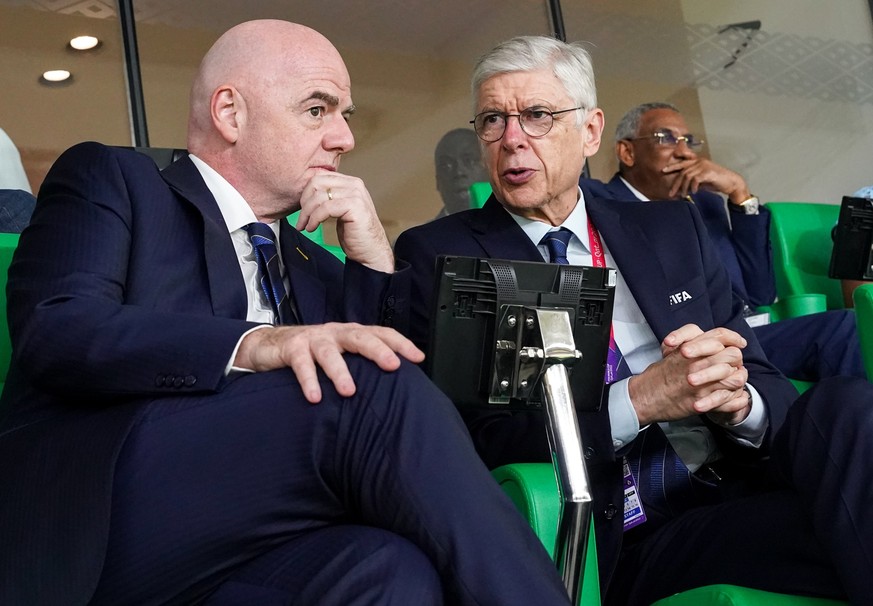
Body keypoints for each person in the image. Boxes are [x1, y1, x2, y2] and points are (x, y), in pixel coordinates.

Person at [0, 21, 572, 606]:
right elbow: (56, 326)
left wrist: (373, 259)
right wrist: (251, 344)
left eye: (346, 115)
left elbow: (412, 424)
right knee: (365, 387)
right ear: (231, 113)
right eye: (318, 110)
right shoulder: (119, 181)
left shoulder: (312, 261)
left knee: (388, 571)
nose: (345, 137)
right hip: (107, 515)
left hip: (254, 548)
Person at [395, 34, 873, 605]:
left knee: (846, 403)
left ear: (591, 131)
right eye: (493, 120)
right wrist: (642, 399)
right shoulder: (446, 256)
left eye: (538, 116)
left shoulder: (671, 229)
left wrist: (740, 402)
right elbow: (476, 443)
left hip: (743, 472)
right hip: (630, 526)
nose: (513, 139)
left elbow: (760, 371)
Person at [580, 101, 864, 382]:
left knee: (853, 329)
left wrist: (740, 193)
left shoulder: (706, 205)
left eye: (688, 141)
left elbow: (760, 293)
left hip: (750, 331)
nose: (683, 152)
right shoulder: (600, 204)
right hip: (691, 342)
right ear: (627, 152)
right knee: (845, 327)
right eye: (665, 138)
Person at [434, 127, 489, 217]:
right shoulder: (427, 231)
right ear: (437, 181)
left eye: (469, 161)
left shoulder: (516, 224)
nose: (459, 172)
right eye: (447, 166)